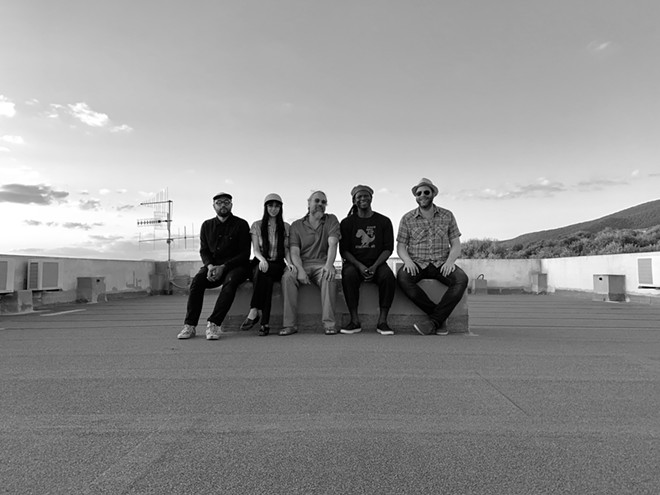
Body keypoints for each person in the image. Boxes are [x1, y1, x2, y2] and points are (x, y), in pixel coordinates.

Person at [396, 178, 469, 335]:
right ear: (415, 196)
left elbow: (456, 244)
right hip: (417, 263)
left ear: (433, 194)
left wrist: (450, 261)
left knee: (461, 279)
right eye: (418, 193)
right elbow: (401, 246)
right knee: (402, 278)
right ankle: (439, 318)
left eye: (426, 192)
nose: (422, 195)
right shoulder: (407, 218)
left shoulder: (447, 215)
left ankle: (434, 321)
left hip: (442, 263)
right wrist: (407, 261)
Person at [177, 192, 251, 340]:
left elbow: (245, 254)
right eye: (219, 202)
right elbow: (204, 250)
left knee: (230, 282)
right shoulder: (206, 225)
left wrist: (224, 266)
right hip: (213, 266)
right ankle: (190, 326)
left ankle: (214, 323)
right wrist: (210, 266)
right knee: (197, 281)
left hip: (236, 266)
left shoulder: (241, 224)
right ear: (214, 206)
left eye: (226, 202)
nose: (223, 205)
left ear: (231, 204)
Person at [280, 190, 340, 336]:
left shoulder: (331, 220)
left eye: (323, 202)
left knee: (329, 277)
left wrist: (329, 265)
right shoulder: (296, 225)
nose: (320, 204)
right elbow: (294, 251)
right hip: (302, 263)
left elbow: (333, 244)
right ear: (309, 203)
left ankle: (329, 324)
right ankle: (289, 325)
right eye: (317, 201)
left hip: (322, 264)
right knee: (287, 277)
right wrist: (299, 269)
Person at [339, 185, 396, 335]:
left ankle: (383, 322)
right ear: (354, 200)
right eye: (359, 197)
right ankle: (354, 321)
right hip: (355, 264)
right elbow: (344, 250)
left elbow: (388, 248)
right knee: (348, 275)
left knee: (388, 277)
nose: (363, 199)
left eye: (366, 196)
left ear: (371, 198)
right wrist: (359, 265)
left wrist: (375, 266)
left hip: (377, 263)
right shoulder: (346, 223)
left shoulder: (384, 221)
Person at [240, 193, 291, 336]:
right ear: (265, 207)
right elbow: (255, 249)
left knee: (264, 273)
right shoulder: (257, 225)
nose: (273, 209)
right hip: (261, 261)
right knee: (265, 278)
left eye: (277, 206)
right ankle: (264, 324)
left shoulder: (286, 227)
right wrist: (262, 259)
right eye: (270, 205)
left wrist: (290, 263)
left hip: (277, 264)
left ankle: (254, 311)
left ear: (280, 208)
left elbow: (286, 249)